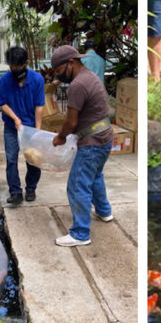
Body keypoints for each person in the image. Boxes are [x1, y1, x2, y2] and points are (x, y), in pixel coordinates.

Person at [51, 45, 114, 247]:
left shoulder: (77, 85)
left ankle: (80, 233)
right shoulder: (90, 77)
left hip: (92, 142)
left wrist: (60, 137)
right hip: (105, 136)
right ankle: (104, 212)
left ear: (71, 63)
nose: (61, 77)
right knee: (95, 176)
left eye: (60, 72)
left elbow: (71, 122)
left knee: (77, 185)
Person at [0, 46, 45, 204]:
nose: (14, 70)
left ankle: (31, 188)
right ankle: (15, 192)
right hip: (12, 127)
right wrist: (15, 119)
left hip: (30, 128)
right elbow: (2, 103)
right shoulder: (5, 79)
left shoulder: (37, 79)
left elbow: (39, 105)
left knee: (33, 159)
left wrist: (37, 129)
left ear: (26, 63)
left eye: (17, 67)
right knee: (11, 159)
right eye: (11, 67)